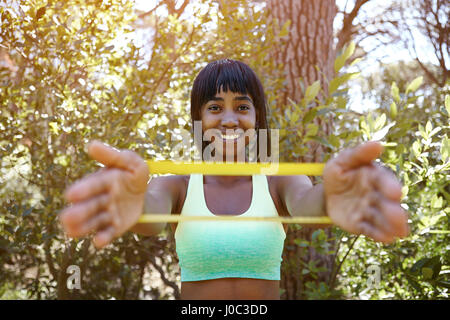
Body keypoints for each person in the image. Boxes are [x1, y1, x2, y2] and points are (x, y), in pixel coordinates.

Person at [59, 59, 409, 300]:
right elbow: (148, 215)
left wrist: (336, 193)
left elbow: (309, 204)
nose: (229, 119)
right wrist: (129, 202)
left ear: (257, 119)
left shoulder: (279, 184)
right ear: (198, 118)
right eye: (214, 108)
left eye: (242, 107)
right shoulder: (177, 187)